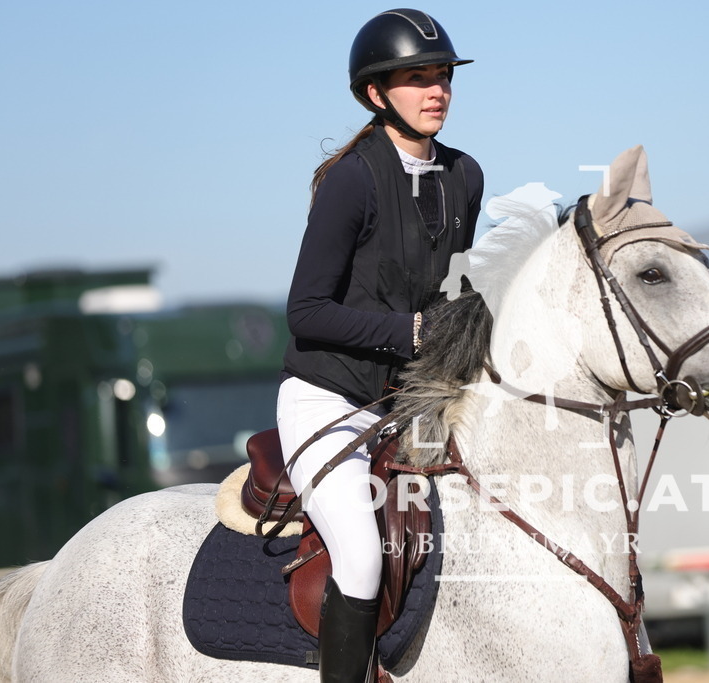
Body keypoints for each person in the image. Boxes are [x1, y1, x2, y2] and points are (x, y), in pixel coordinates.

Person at [276, 8, 482, 682]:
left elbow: (456, 290)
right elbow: (305, 311)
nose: (437, 90)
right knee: (361, 555)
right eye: (418, 78)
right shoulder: (352, 180)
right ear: (375, 94)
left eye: (443, 76)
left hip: (408, 403)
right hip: (326, 399)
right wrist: (413, 333)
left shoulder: (465, 176)